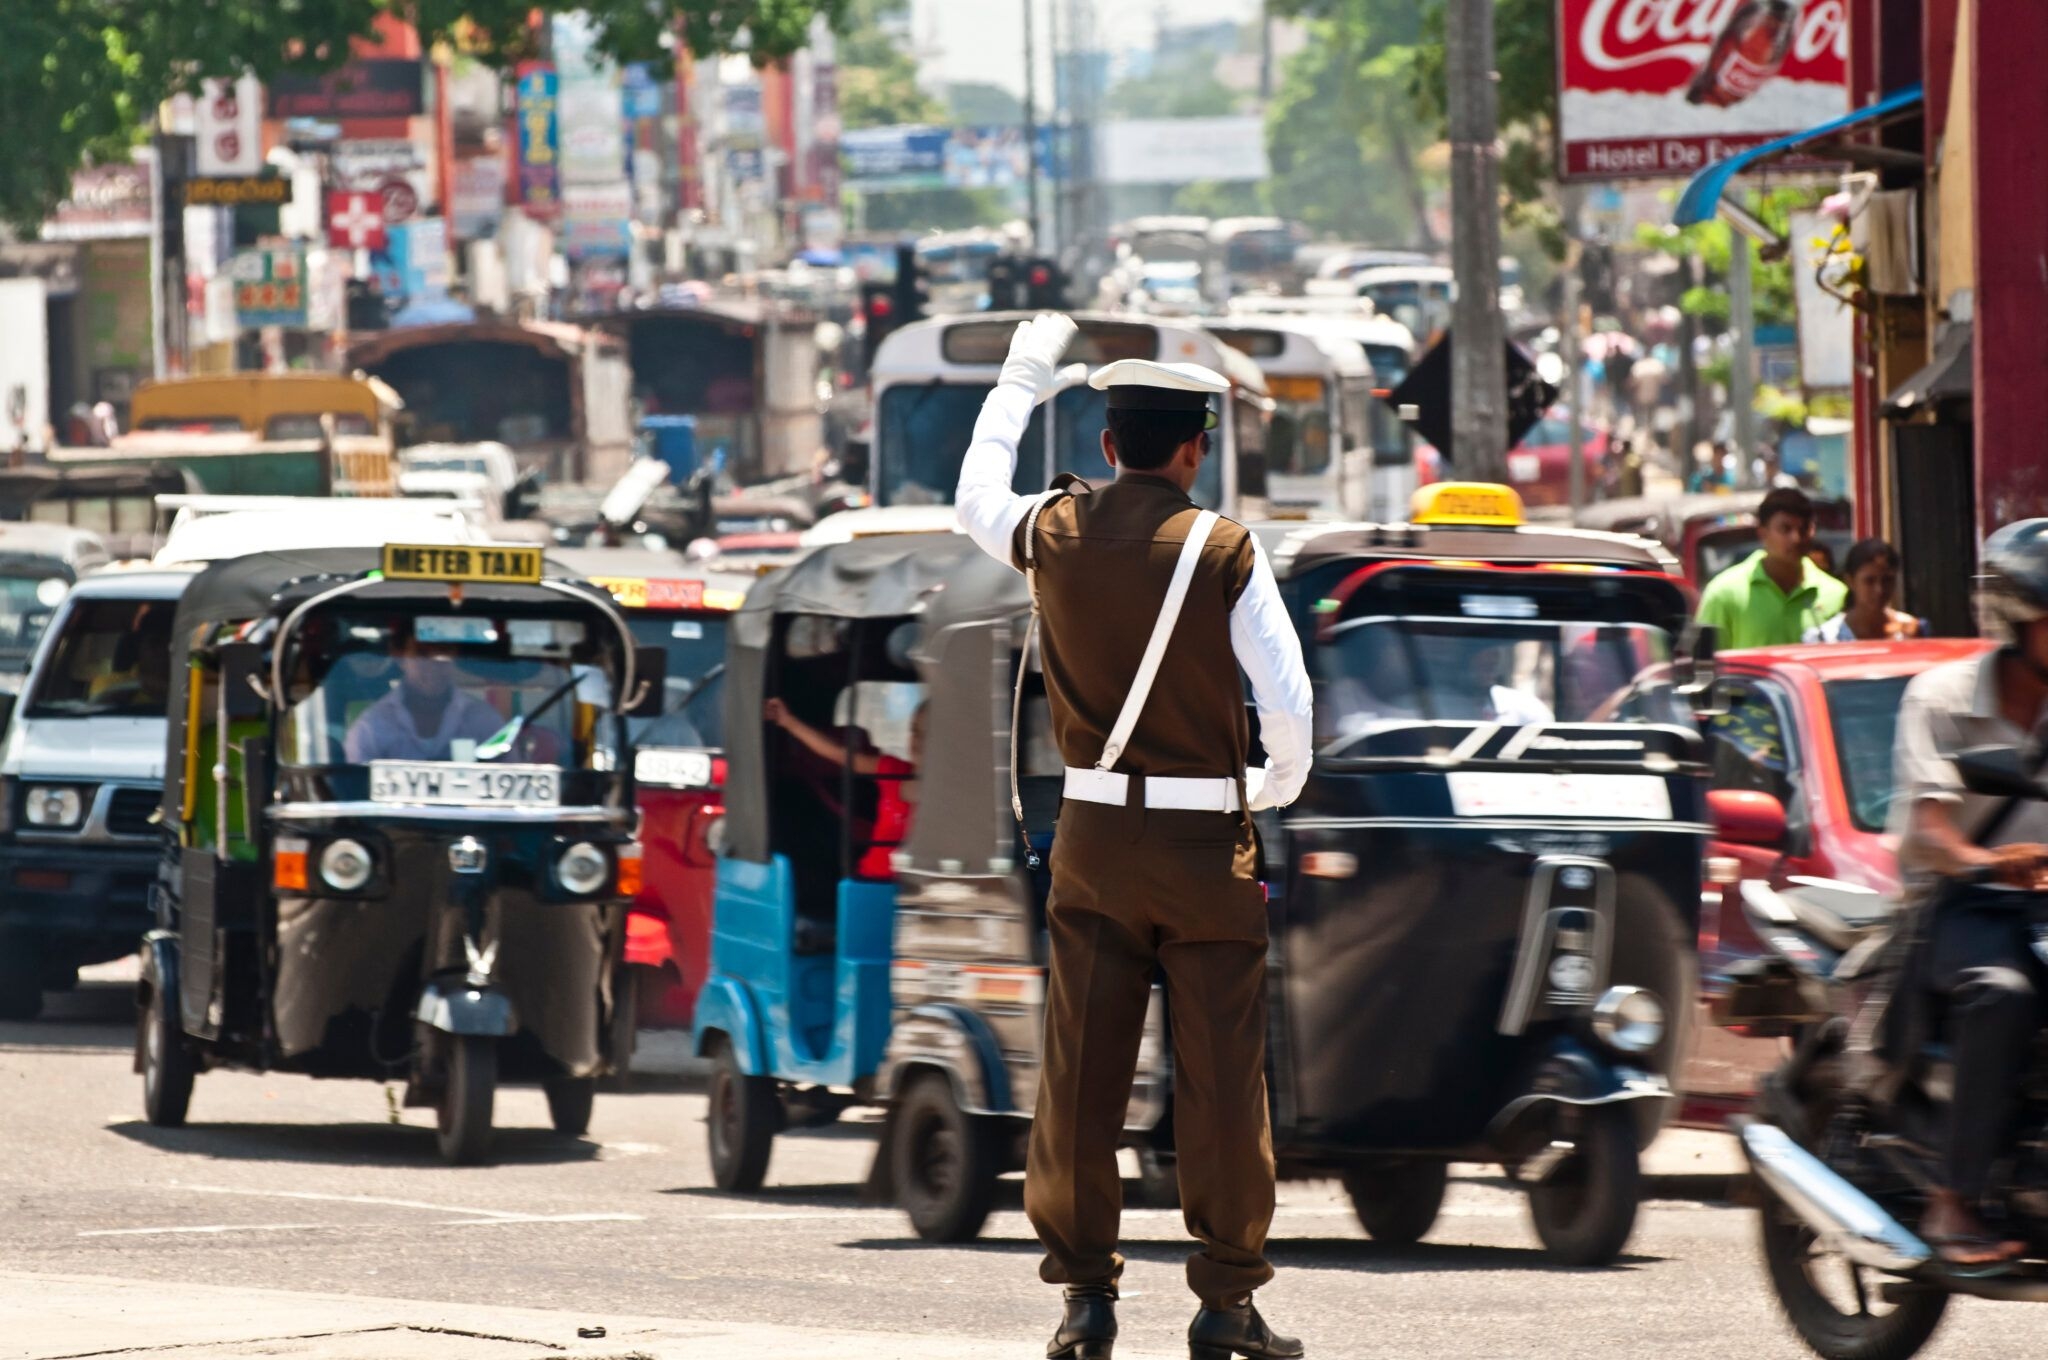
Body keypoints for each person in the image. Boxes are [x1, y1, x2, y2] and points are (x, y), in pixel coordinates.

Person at [956, 314, 1313, 1360]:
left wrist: (1026, 369)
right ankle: (1225, 1301)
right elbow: (1286, 705)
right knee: (1219, 1083)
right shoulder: (1222, 547)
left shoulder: (1052, 532)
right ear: (1193, 447)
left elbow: (974, 490)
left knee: (1079, 1080)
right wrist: (1267, 786)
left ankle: (1084, 1300)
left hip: (1095, 846)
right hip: (1207, 855)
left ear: (1108, 445)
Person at [1889, 518, 2048, 1265]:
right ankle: (1954, 1200)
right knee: (2005, 991)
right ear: (2017, 622)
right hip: (1961, 903)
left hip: (2042, 904)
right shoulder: (1943, 697)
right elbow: (1928, 834)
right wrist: (1989, 861)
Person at [764, 696, 924, 879]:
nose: (917, 740)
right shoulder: (892, 769)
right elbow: (838, 754)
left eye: (927, 734)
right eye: (914, 731)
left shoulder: (954, 794)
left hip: (921, 886)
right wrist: (788, 721)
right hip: (872, 880)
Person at [1693, 486, 1847, 648]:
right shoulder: (1724, 593)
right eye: (1785, 529)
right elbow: (1704, 667)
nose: (1796, 538)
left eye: (1803, 529)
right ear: (1763, 533)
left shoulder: (1836, 594)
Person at [343, 634, 506, 764]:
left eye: (442, 652)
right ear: (400, 657)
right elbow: (355, 790)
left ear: (455, 655)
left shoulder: (484, 722)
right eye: (421, 654)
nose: (432, 664)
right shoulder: (372, 727)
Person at [1805, 538, 1928, 642]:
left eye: (1887, 580)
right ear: (1850, 581)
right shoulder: (1825, 638)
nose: (1879, 590)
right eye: (1869, 581)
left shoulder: (1910, 630)